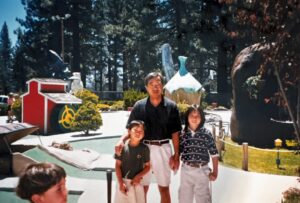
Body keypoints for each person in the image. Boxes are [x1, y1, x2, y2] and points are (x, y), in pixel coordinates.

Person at [115, 72, 182, 203]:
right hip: (142, 149)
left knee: (164, 188)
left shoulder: (171, 106)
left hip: (163, 149)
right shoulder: (139, 106)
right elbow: (129, 129)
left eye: (158, 84)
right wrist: (121, 140)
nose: (155, 87)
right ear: (146, 87)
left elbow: (175, 133)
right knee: (142, 188)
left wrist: (176, 155)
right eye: (151, 84)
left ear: (162, 86)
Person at [179, 105, 219, 203]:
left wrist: (215, 172)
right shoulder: (183, 134)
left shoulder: (207, 134)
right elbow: (178, 151)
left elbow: (214, 154)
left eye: (198, 116)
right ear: (187, 117)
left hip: (202, 171)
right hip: (186, 170)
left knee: (203, 199)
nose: (194, 118)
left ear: (202, 118)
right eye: (192, 115)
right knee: (184, 199)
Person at [114, 120, 150, 203]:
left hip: (137, 183)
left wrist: (138, 177)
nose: (138, 133)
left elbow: (148, 166)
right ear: (129, 131)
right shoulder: (121, 147)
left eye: (141, 131)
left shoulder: (144, 149)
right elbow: (117, 166)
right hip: (123, 183)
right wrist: (120, 183)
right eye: (135, 130)